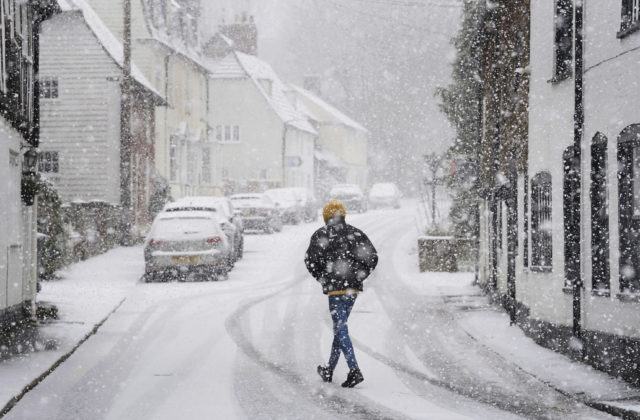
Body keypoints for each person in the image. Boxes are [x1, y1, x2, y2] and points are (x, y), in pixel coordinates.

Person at [304, 199, 378, 388]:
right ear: (343, 215)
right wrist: (360, 275)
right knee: (340, 328)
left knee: (340, 328)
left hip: (335, 290)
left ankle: (354, 369)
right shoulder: (355, 233)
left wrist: (323, 277)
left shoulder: (321, 235)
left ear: (326, 216)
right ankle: (329, 369)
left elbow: (310, 261)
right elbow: (372, 256)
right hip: (352, 289)